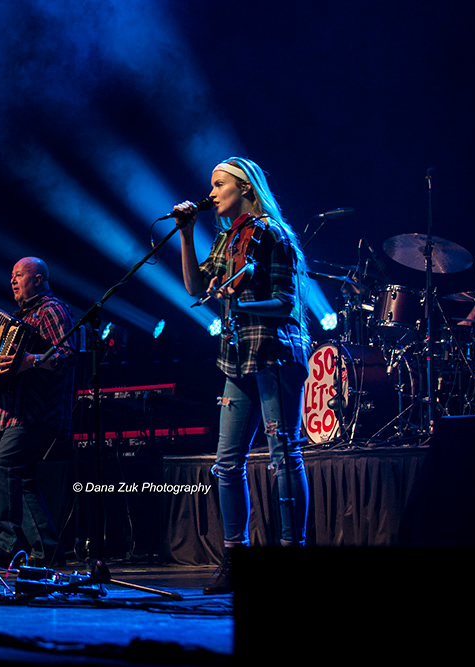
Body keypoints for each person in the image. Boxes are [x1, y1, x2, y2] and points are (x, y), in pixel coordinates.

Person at [175, 157, 310, 594]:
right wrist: (186, 233)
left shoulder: (272, 233)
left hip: (274, 353)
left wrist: (238, 302)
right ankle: (235, 557)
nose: (211, 193)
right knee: (226, 464)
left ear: (245, 188)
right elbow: (196, 287)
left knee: (283, 455)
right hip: (237, 357)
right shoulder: (226, 237)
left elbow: (285, 304)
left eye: (219, 185)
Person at [0, 257, 76, 570]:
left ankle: (5, 541)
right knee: (21, 477)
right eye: (11, 275)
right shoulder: (22, 318)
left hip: (38, 412)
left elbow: (68, 354)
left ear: (39, 279)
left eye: (19, 275)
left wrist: (31, 360)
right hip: (17, 412)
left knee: (4, 464)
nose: (12, 280)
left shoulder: (52, 310)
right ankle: (47, 548)